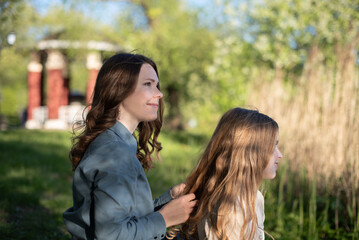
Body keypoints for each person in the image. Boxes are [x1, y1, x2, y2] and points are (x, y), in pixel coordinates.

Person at [63, 53, 197, 240]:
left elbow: (126, 218)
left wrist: (169, 200)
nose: (159, 93)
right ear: (120, 90)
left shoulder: (115, 143)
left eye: (156, 85)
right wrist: (164, 218)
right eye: (148, 84)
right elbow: (111, 234)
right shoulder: (115, 153)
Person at [170, 107, 282, 240]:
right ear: (249, 154)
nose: (280, 154)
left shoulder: (256, 198)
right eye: (273, 147)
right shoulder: (226, 208)